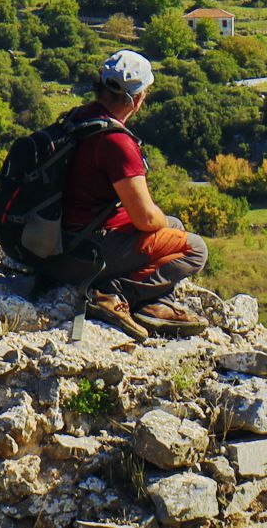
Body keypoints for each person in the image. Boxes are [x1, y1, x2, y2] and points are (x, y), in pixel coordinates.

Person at [51, 48, 208, 341]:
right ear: (137, 99)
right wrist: (158, 220)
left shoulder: (77, 119)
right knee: (194, 248)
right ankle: (114, 293)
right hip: (86, 249)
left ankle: (155, 303)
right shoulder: (115, 142)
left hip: (59, 240)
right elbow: (147, 218)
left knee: (174, 227)